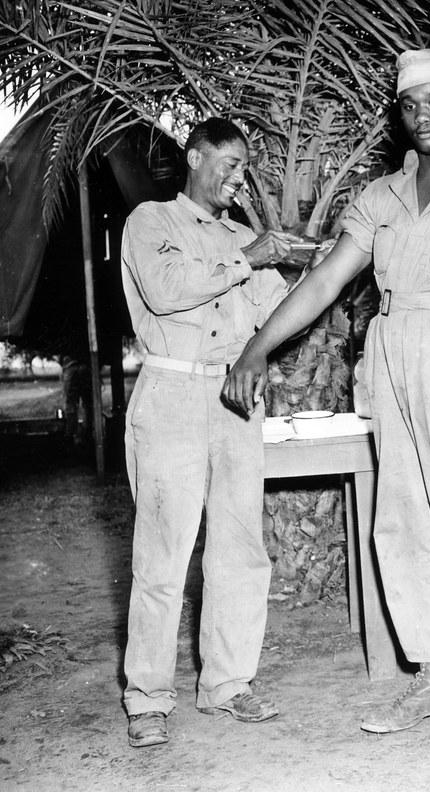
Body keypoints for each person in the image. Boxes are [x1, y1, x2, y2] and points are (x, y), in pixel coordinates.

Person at [221, 48, 430, 757]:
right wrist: (256, 346)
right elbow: (322, 282)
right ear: (398, 114)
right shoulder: (381, 197)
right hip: (390, 356)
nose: (424, 116)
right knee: (400, 523)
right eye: (411, 104)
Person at [120, 117, 302, 748]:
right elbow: (169, 293)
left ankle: (229, 683)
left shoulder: (243, 236)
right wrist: (248, 257)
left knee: (239, 547)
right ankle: (147, 698)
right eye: (227, 163)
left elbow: (276, 314)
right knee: (164, 552)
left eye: (244, 167)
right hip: (171, 392)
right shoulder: (151, 222)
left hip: (234, 395)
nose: (237, 177)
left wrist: (316, 263)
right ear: (194, 158)